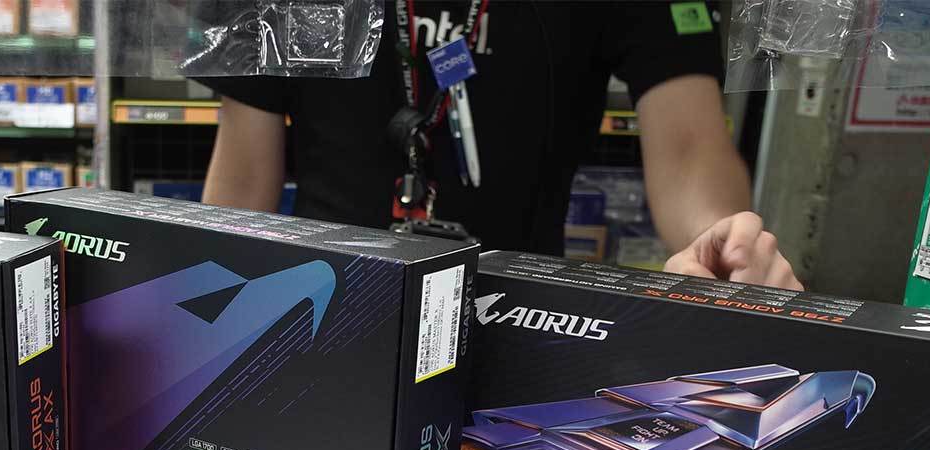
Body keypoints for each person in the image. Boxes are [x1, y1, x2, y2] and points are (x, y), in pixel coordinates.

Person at [201, 1, 800, 290]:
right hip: (321, 301)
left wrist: (721, 246)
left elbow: (690, 148)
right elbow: (241, 183)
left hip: (522, 316)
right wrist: (209, 301)